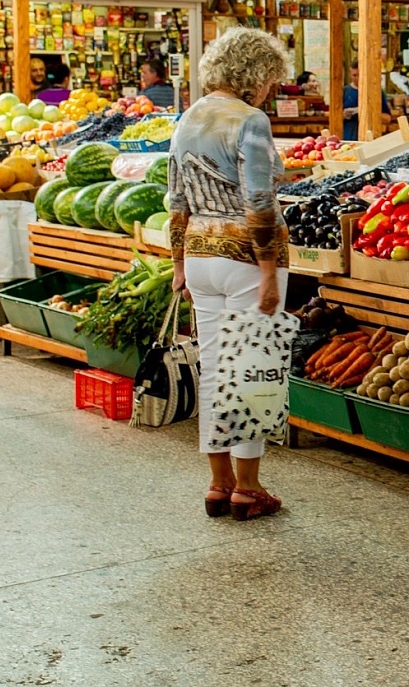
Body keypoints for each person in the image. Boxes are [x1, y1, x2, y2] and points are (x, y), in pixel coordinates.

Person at [167, 28, 292, 522]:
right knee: (253, 372)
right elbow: (258, 201)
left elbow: (175, 200)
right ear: (255, 75)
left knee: (217, 369)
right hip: (246, 257)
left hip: (199, 256)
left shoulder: (187, 119)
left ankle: (218, 485)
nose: (270, 91)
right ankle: (248, 488)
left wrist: (178, 263)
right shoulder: (250, 120)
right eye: (270, 81)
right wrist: (267, 272)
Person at [342, 62, 360, 141]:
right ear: (350, 75)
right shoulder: (344, 91)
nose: (357, 78)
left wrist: (361, 111)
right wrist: (343, 115)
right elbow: (334, 116)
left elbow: (387, 118)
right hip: (348, 136)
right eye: (354, 75)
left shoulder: (376, 92)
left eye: (360, 74)